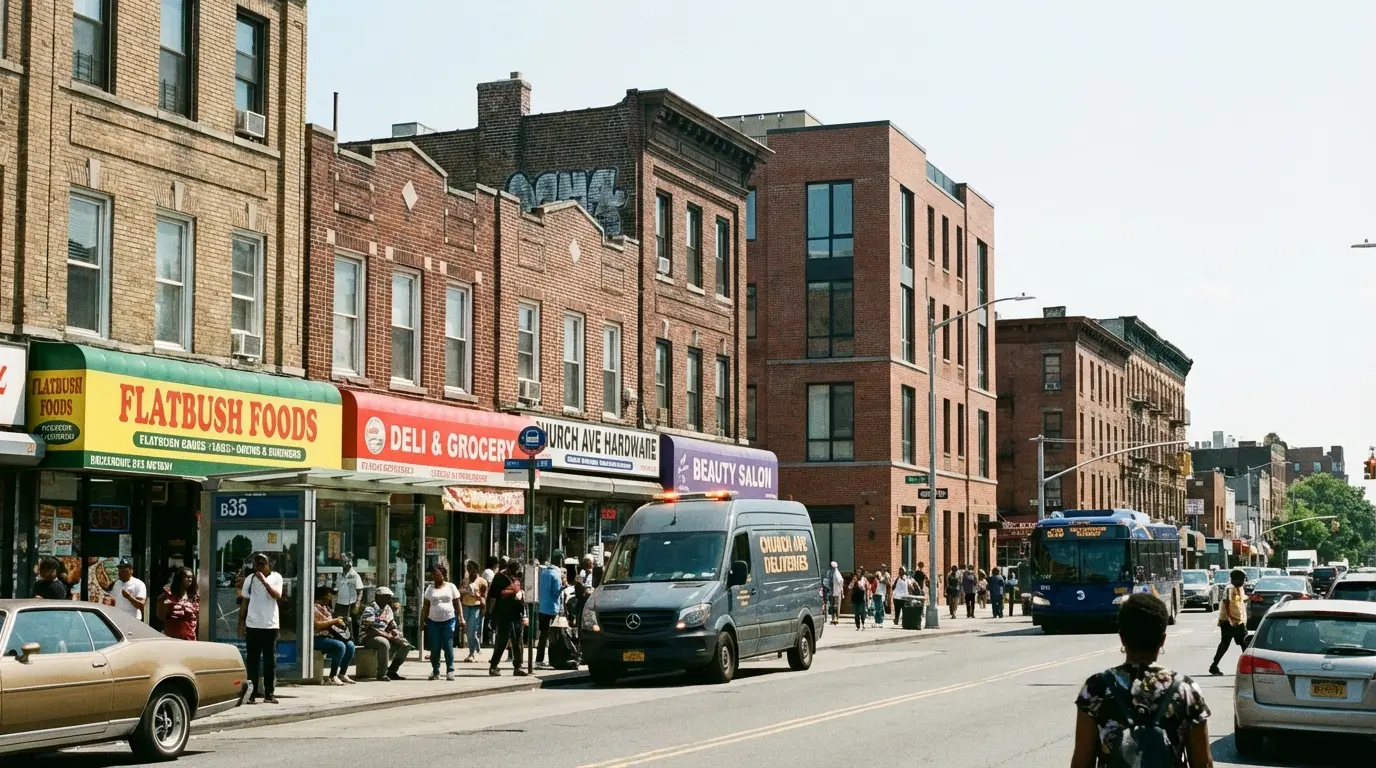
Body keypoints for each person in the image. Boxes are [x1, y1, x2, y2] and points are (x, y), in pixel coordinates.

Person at [1070, 593, 1212, 768]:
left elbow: (1082, 760)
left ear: (1122, 637)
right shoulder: (1186, 690)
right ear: (1162, 640)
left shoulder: (1096, 688)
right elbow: (1202, 763)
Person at [240, 553, 283, 704]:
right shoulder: (249, 579)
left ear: (268, 564)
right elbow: (245, 602)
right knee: (252, 661)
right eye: (257, 564)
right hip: (253, 625)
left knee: (270, 661)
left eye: (263, 563)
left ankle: (269, 694)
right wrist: (241, 623)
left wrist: (264, 581)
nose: (259, 566)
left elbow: (276, 595)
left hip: (270, 625)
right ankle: (251, 695)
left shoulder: (276, 577)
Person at [487, 559, 528, 677]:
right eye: (514, 569)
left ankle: (518, 667)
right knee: (502, 641)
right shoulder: (500, 577)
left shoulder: (516, 577)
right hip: (503, 613)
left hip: (516, 613)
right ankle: (493, 666)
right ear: (509, 567)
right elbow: (493, 596)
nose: (516, 572)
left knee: (518, 641)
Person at [360, 587, 409, 681]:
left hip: (385, 635)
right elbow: (371, 630)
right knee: (384, 643)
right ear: (379, 597)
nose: (389, 599)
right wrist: (388, 636)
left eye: (389, 597)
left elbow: (392, 624)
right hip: (368, 637)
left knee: (405, 645)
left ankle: (392, 671)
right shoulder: (370, 609)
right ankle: (382, 673)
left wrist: (395, 632)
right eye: (386, 597)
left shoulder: (388, 609)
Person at [422, 565, 462, 681]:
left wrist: (461, 617)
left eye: (438, 573)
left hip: (448, 620)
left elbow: (457, 602)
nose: (435, 576)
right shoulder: (430, 588)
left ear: (443, 574)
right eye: (434, 574)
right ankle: (435, 671)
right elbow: (426, 605)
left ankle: (450, 670)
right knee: (435, 648)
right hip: (433, 622)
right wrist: (422, 621)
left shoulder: (451, 587)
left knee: (448, 646)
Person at [1209, 568, 1249, 676]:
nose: (1243, 582)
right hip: (1229, 621)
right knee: (1243, 643)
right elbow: (1227, 603)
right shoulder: (1229, 589)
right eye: (1241, 580)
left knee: (1238, 643)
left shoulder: (1239, 589)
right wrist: (1231, 618)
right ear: (1235, 579)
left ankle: (1214, 666)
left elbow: (1241, 601)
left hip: (1237, 620)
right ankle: (1249, 666)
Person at [313, 586, 356, 685]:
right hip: (317, 637)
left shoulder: (326, 607)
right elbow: (317, 624)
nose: (330, 598)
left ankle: (342, 673)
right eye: (328, 596)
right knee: (339, 646)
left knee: (350, 645)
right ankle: (332, 676)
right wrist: (334, 621)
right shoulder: (314, 607)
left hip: (330, 635)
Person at [535, 551, 565, 670]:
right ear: (560, 561)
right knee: (554, 636)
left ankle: (539, 659)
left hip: (542, 607)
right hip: (553, 608)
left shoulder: (543, 572)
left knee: (543, 634)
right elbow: (555, 592)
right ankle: (554, 658)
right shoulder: (556, 574)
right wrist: (563, 587)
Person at [157, 566, 199, 641]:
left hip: (189, 637)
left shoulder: (194, 597)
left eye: (191, 577)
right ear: (180, 579)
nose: (190, 580)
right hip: (172, 637)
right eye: (187, 577)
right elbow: (160, 616)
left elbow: (197, 617)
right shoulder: (169, 595)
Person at [460, 560, 487, 663]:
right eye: (469, 569)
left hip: (475, 606)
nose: (471, 571)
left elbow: (484, 596)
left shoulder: (482, 581)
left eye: (473, 569)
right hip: (466, 606)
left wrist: (477, 596)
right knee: (467, 630)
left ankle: (472, 652)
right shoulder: (465, 581)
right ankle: (476, 647)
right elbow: (460, 592)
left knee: (472, 630)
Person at [334, 556, 364, 639]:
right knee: (341, 621)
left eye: (344, 562)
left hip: (352, 602)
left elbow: (360, 590)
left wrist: (357, 604)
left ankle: (355, 638)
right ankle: (343, 637)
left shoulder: (355, 575)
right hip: (340, 601)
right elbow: (336, 588)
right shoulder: (339, 574)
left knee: (353, 621)